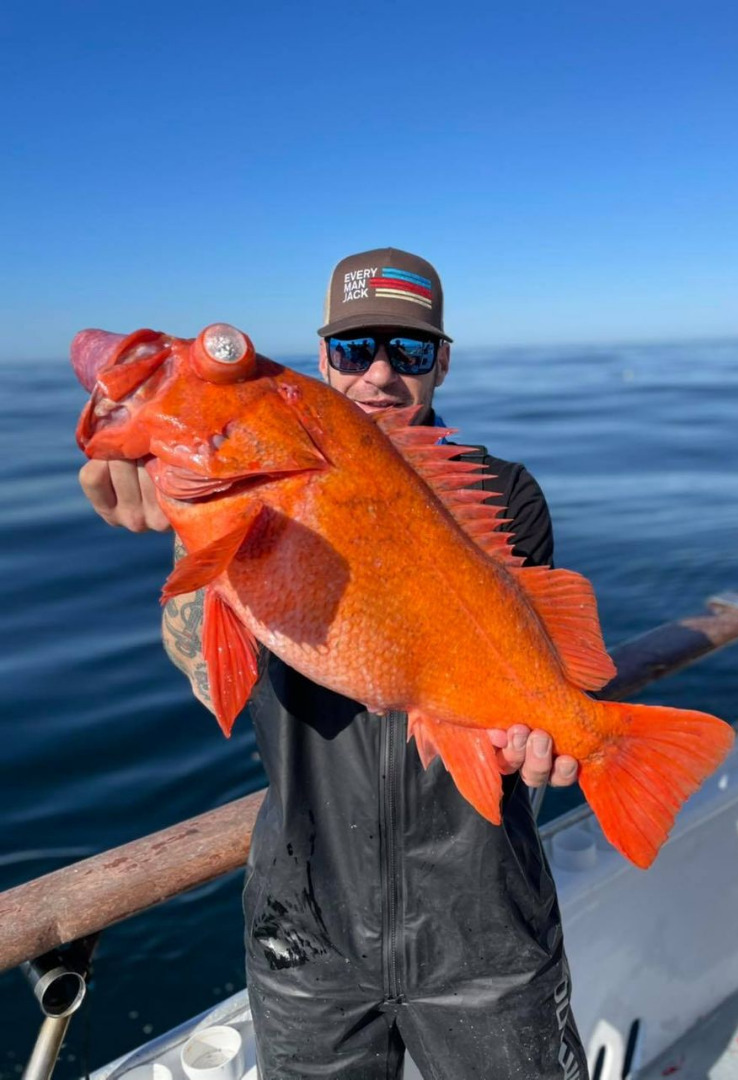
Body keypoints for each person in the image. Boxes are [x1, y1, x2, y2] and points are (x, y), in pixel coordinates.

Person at [79, 248, 589, 1080]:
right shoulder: (263, 481)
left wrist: (552, 733)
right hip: (305, 927)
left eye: (409, 352)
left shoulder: (502, 495)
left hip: (485, 919)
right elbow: (215, 679)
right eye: (356, 351)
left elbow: (507, 681)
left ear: (442, 362)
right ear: (322, 359)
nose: (381, 374)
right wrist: (193, 524)